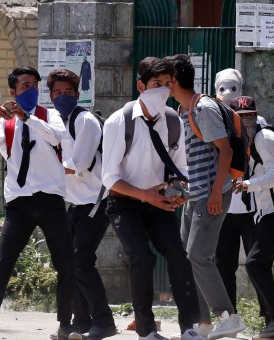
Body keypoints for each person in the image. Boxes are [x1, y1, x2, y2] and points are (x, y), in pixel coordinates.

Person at [101, 57, 202, 340]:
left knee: (178, 257)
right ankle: (146, 330)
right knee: (142, 258)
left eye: (168, 84)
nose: (163, 90)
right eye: (156, 84)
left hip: (159, 203)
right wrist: (145, 195)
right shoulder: (118, 121)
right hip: (125, 202)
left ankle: (190, 327)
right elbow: (109, 177)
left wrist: (179, 190)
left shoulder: (173, 121)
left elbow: (180, 168)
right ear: (141, 86)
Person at [0, 66, 77, 340]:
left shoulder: (50, 115)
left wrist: (28, 117)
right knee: (2, 264)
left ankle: (65, 324)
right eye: (24, 86)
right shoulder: (4, 123)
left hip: (50, 199)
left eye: (34, 85)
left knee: (65, 263)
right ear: (13, 91)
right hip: (19, 202)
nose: (30, 90)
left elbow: (56, 138)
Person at [167, 54, 246, 340]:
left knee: (198, 255)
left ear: (173, 80)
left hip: (211, 194)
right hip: (195, 195)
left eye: (164, 78)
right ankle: (203, 324)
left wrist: (215, 192)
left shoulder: (203, 108)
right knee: (189, 258)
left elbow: (224, 150)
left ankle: (228, 316)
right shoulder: (182, 110)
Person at [45, 68, 117, 340]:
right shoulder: (55, 122)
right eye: (57, 93)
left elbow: (80, 165)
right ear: (50, 96)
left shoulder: (84, 120)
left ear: (78, 94)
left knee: (80, 260)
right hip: (74, 202)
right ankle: (81, 321)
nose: (62, 97)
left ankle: (104, 322)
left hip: (96, 200)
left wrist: (44, 169)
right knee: (67, 262)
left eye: (67, 92)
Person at [231, 96, 274, 338]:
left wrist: (247, 185)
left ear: (255, 115)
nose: (246, 120)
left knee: (254, 263)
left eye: (249, 115)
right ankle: (273, 321)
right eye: (241, 116)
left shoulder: (264, 138)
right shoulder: (245, 139)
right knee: (260, 264)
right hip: (268, 211)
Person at [213, 70, 267, 321]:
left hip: (252, 207)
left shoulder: (259, 123)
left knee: (257, 264)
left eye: (234, 88)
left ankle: (269, 316)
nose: (228, 94)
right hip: (224, 205)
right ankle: (228, 316)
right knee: (224, 265)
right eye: (223, 88)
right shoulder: (213, 122)